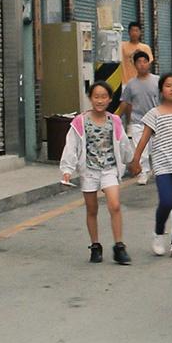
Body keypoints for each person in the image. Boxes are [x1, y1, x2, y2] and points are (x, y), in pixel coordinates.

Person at [59, 82, 132, 265]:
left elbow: (123, 143)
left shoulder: (115, 121)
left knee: (115, 205)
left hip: (109, 169)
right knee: (92, 209)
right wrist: (67, 170)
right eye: (96, 97)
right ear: (90, 98)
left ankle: (119, 247)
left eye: (104, 97)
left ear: (110, 99)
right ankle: (95, 246)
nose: (100, 100)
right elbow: (71, 146)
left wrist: (131, 160)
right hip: (89, 171)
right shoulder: (80, 122)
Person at [128, 73, 172, 259]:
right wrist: (136, 160)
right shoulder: (154, 114)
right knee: (166, 201)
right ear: (161, 90)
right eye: (168, 85)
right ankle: (158, 231)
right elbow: (144, 139)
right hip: (163, 165)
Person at [118, 50, 159, 185]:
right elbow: (125, 102)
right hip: (138, 121)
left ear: (149, 63)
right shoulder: (131, 84)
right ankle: (144, 172)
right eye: (139, 62)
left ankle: (159, 170)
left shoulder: (157, 81)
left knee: (157, 147)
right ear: (134, 65)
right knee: (141, 149)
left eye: (144, 62)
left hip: (156, 120)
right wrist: (116, 118)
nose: (142, 64)